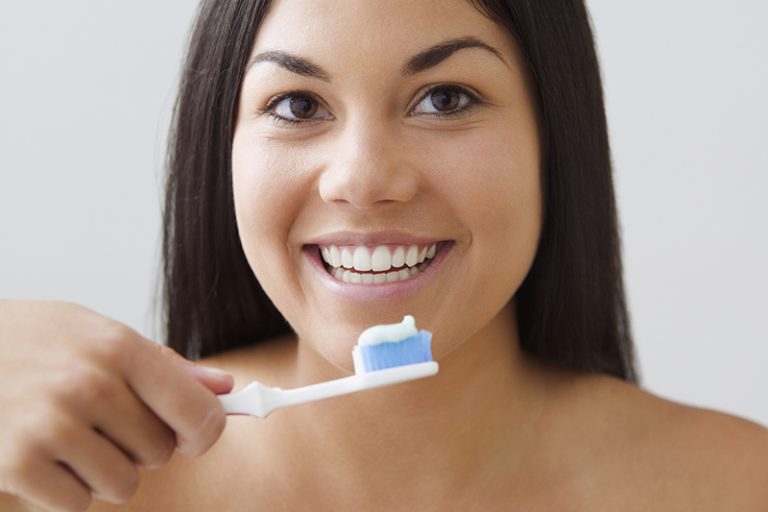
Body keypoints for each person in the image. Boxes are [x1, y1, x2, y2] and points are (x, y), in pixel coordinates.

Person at [1, 0, 767, 510]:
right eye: (297, 106)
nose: (363, 180)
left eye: (446, 99)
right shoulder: (70, 489)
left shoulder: (739, 485)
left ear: (553, 142)